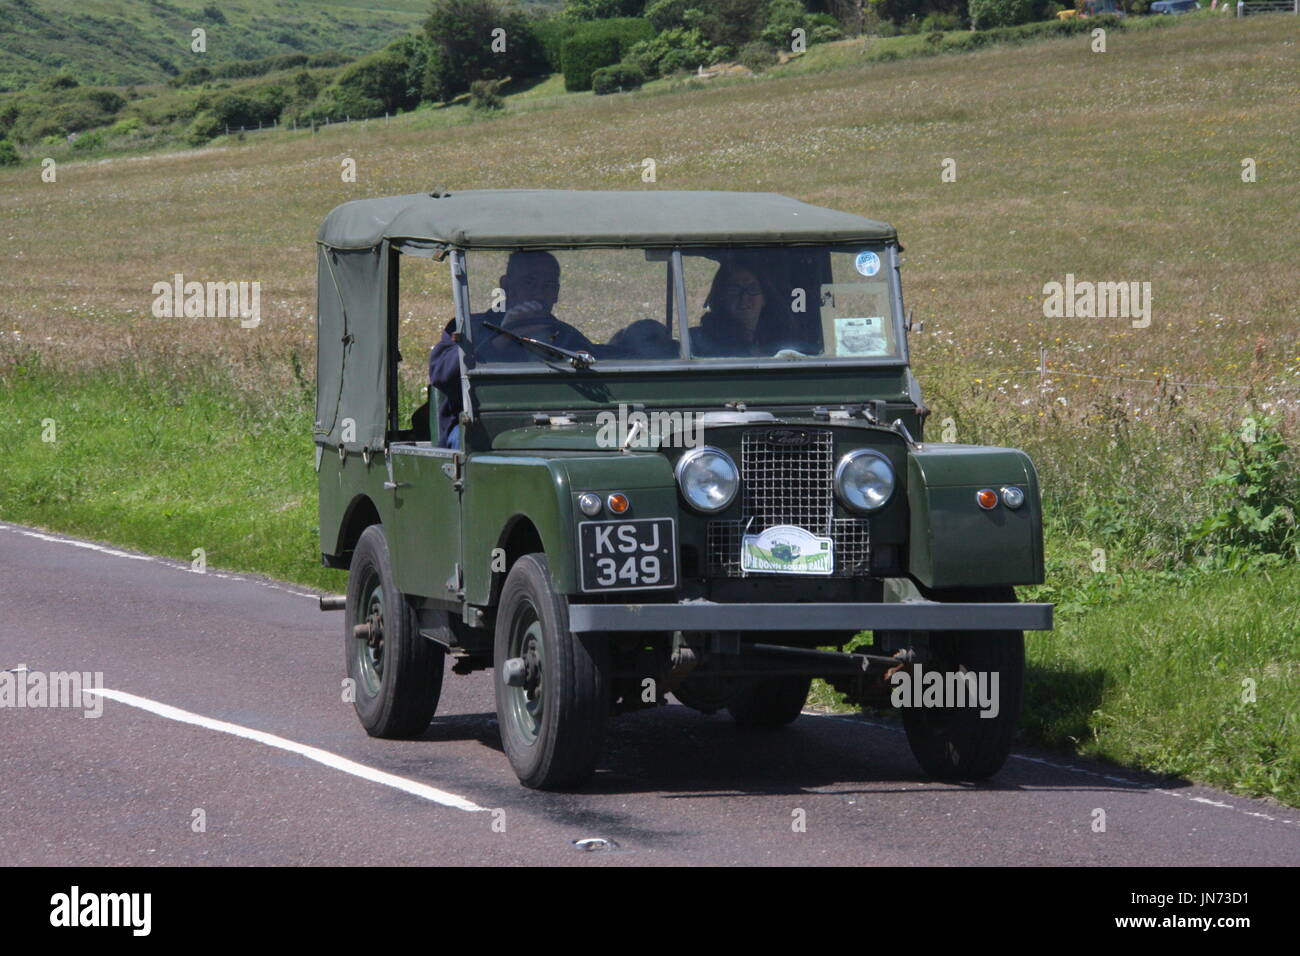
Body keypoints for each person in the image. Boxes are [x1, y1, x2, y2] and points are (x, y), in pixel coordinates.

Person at [427, 251, 593, 448]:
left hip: (558, 425)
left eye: (548, 286)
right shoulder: (471, 328)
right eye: (529, 283)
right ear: (506, 286)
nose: (539, 293)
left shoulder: (565, 335)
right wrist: (501, 337)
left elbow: (604, 365)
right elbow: (443, 374)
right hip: (483, 425)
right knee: (463, 441)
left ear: (556, 293)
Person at [689, 260, 781, 357]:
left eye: (752, 289)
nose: (744, 297)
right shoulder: (698, 341)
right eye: (734, 290)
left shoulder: (779, 340)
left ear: (764, 298)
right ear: (721, 298)